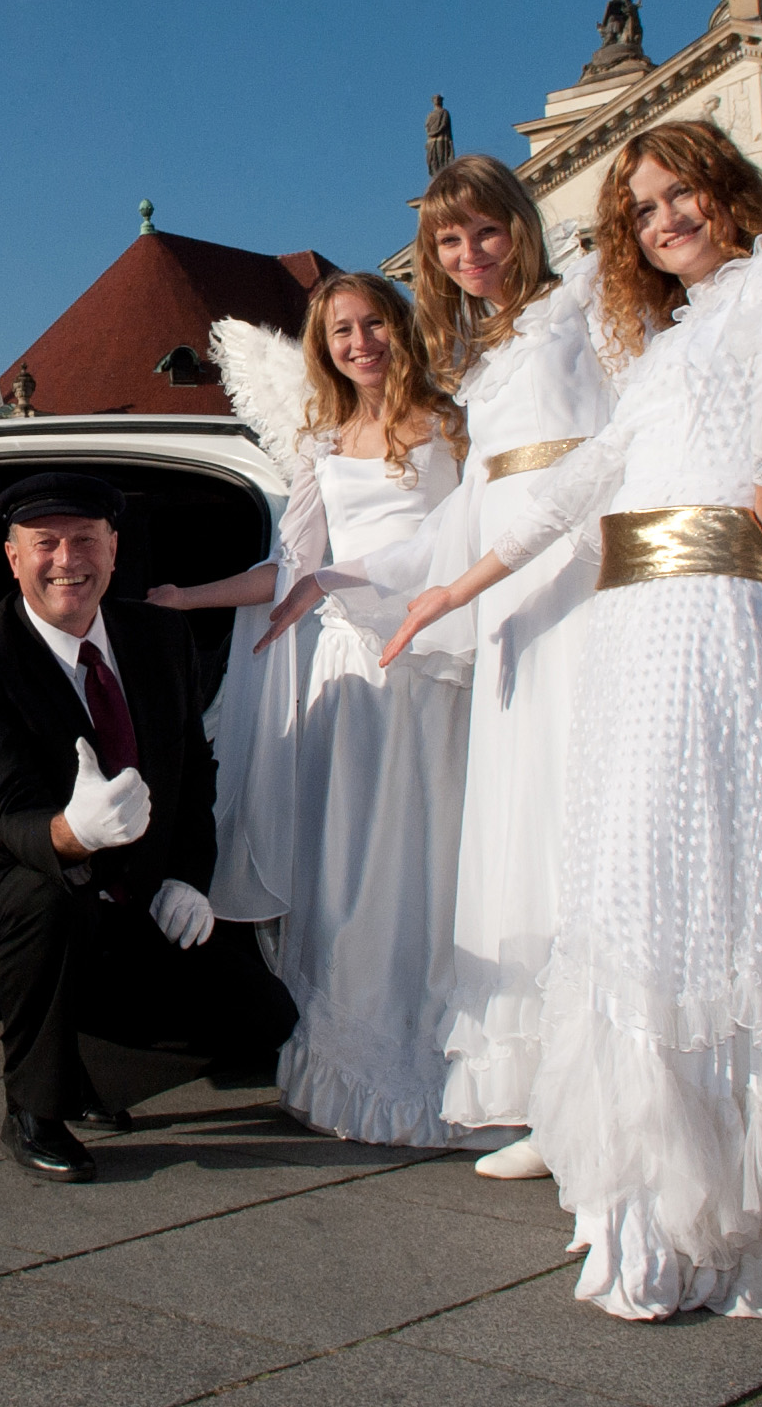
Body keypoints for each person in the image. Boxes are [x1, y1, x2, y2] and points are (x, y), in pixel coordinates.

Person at [383, 121, 762, 1318]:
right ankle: (668, 1182)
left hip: (717, 598)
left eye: (677, 196)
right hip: (636, 617)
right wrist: (456, 585)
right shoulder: (673, 336)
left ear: (725, 191)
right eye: (641, 211)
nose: (662, 222)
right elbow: (585, 477)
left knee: (727, 876)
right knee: (639, 884)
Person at [151, 272, 475, 1145]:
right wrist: (191, 598)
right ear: (323, 348)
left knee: (426, 864)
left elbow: (468, 546)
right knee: (346, 871)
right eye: (340, 332)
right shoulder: (325, 442)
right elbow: (291, 573)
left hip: (428, 665)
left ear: (400, 328)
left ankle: (443, 1064)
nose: (360, 342)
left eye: (373, 323)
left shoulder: (452, 423)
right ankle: (349, 1065)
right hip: (346, 678)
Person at [0, 472, 295, 1183]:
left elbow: (193, 772)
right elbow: (4, 815)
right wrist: (74, 831)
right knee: (45, 900)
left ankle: (91, 1069)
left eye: (86, 540)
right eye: (46, 543)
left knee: (262, 1018)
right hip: (0, 894)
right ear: (13, 558)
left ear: (114, 552)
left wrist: (187, 876)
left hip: (130, 893)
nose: (68, 560)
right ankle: (34, 1110)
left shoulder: (159, 635)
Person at [408, 156, 613, 1178]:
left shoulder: (581, 304)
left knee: (572, 816)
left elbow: (610, 450)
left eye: (485, 231)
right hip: (507, 601)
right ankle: (546, 1087)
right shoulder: (482, 354)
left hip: (573, 578)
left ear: (522, 227)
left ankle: (603, 1081)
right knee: (518, 821)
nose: (470, 253)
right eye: (449, 242)